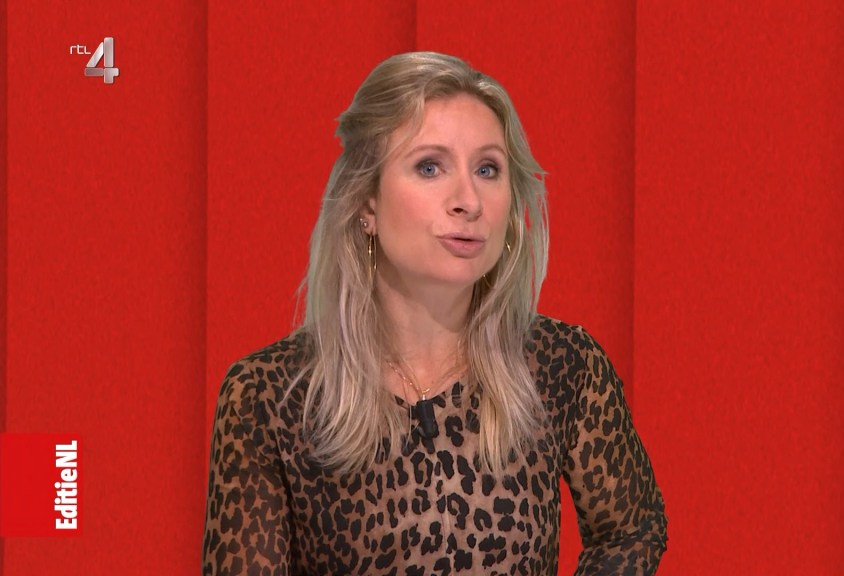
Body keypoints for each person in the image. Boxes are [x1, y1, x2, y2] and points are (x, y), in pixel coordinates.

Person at [203, 51, 667, 575]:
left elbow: (634, 528)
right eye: (430, 167)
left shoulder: (563, 366)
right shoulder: (268, 396)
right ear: (367, 203)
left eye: (488, 169)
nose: (469, 200)